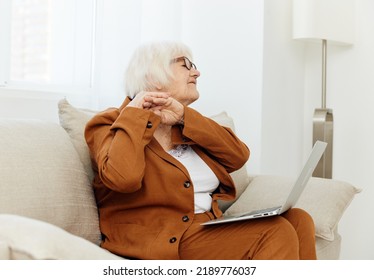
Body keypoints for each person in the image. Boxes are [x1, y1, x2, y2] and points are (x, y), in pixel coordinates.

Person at [84, 41, 317, 260]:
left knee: (299, 220)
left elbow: (238, 156)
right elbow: (123, 178)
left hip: (205, 229)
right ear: (153, 77)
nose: (196, 73)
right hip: (158, 239)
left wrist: (185, 117)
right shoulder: (109, 123)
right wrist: (136, 114)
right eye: (186, 65)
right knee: (273, 231)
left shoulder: (186, 124)